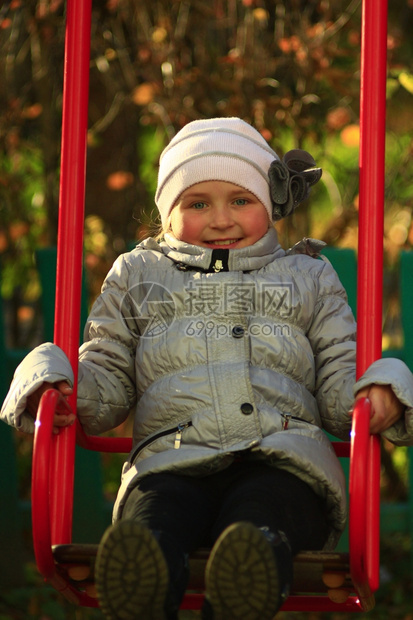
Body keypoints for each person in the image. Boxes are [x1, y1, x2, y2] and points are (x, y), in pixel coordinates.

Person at [2, 117, 413, 620]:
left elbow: (338, 382)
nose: (221, 219)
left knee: (266, 512)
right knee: (155, 516)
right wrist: (58, 385)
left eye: (240, 200)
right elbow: (105, 374)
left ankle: (250, 565)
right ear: (167, 214)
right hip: (170, 459)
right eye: (197, 203)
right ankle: (144, 568)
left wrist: (382, 391)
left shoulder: (307, 276)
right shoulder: (138, 274)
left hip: (284, 459)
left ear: (269, 202)